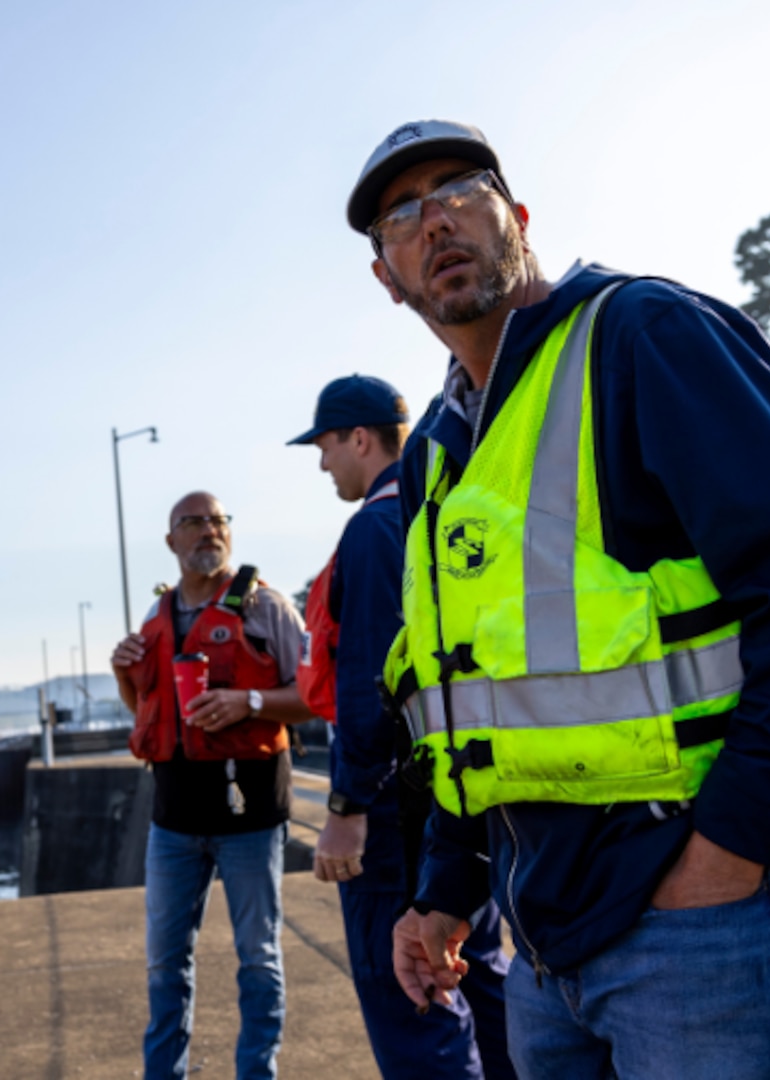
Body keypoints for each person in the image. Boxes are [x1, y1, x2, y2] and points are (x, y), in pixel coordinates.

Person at [346, 121, 770, 1078]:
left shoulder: (642, 336)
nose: (434, 219)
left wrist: (730, 852)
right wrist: (449, 890)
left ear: (517, 217)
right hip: (545, 944)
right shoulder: (441, 450)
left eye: (459, 189)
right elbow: (468, 703)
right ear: (386, 276)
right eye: (402, 214)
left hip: (699, 923)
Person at [290, 376, 514, 1080]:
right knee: (477, 977)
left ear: (358, 438)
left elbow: (369, 684)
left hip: (392, 816)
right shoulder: (442, 512)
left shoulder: (372, 529)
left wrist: (345, 808)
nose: (323, 463)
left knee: (411, 997)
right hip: (459, 800)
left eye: (324, 446)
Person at [110, 492, 313, 1080]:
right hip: (173, 819)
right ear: (171, 541)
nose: (208, 531)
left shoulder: (266, 608)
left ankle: (257, 1073)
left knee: (259, 958)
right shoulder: (155, 619)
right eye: (192, 523)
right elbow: (144, 709)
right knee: (164, 965)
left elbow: (312, 697)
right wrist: (125, 671)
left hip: (250, 814)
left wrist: (247, 701)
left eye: (217, 521)